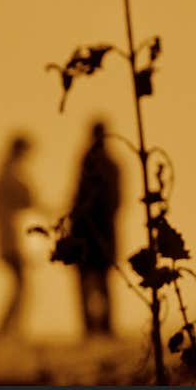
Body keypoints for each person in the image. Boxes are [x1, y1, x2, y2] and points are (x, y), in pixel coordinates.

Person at [68, 121, 121, 337]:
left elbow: (78, 198)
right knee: (101, 281)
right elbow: (117, 201)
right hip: (101, 231)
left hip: (89, 231)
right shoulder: (110, 165)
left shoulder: (89, 162)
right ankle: (102, 327)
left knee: (90, 282)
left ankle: (94, 327)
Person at [0, 134, 34, 336]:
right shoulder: (9, 175)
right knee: (22, 285)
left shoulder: (5, 172)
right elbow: (28, 197)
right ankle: (7, 328)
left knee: (21, 285)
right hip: (11, 239)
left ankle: (8, 328)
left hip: (10, 237)